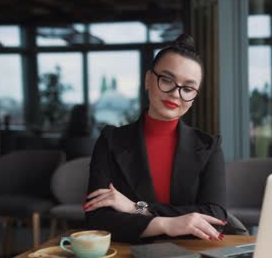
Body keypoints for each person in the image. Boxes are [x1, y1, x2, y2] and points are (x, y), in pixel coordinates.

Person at [84, 34, 228, 243]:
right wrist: (166, 224)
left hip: (191, 252)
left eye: (187, 88)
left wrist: (137, 208)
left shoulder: (209, 146)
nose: (176, 94)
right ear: (148, 79)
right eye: (167, 80)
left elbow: (215, 217)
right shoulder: (110, 140)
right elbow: (96, 218)